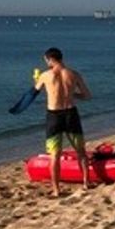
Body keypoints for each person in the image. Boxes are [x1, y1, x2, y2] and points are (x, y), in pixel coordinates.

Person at [34, 47, 92, 197]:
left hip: (54, 116)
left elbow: (35, 91)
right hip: (71, 114)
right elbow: (87, 96)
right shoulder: (74, 74)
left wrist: (37, 79)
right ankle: (86, 183)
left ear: (51, 59)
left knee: (54, 155)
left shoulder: (45, 75)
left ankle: (56, 190)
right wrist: (72, 94)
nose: (46, 62)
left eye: (46, 60)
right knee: (81, 151)